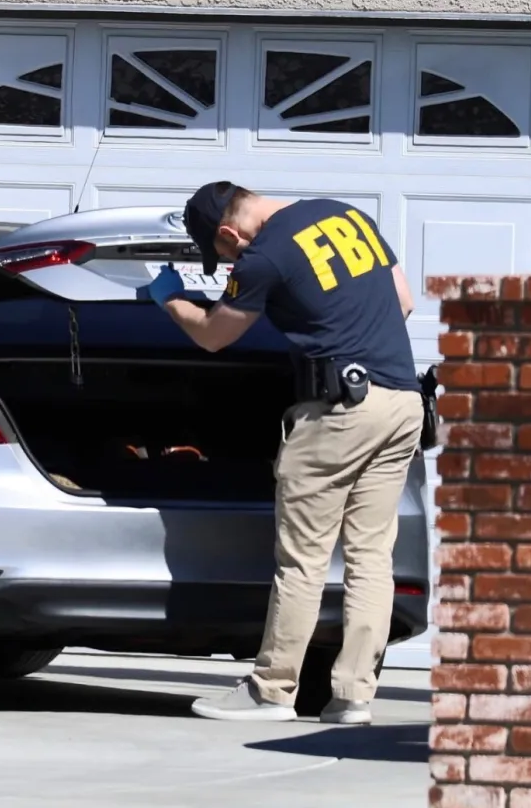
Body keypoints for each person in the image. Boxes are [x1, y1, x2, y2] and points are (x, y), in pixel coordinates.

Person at [145, 181, 423, 725]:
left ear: (229, 232)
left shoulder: (265, 256)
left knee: (303, 559)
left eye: (224, 255)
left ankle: (271, 691)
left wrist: (170, 298)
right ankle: (353, 696)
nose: (230, 263)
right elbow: (405, 302)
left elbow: (214, 336)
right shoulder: (346, 214)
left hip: (337, 415)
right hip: (402, 404)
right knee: (370, 558)